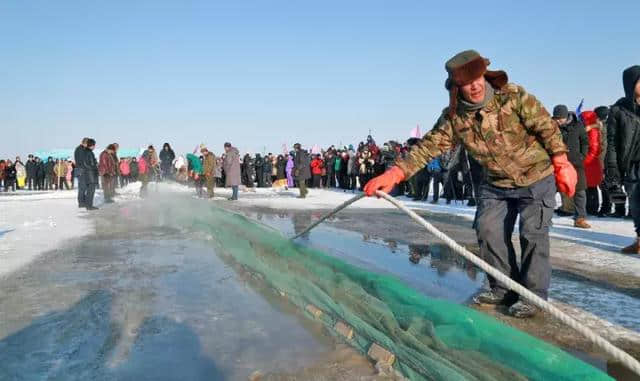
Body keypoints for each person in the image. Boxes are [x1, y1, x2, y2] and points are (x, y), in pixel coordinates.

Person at [365, 50, 575, 318]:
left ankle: (532, 297)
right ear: (456, 87)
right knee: (488, 231)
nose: (475, 86)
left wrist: (561, 162)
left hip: (535, 177)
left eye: (478, 78)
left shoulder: (512, 96)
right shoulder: (454, 116)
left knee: (533, 235)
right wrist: (394, 174)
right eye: (467, 82)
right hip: (495, 184)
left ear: (484, 76)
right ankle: (502, 288)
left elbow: (546, 126)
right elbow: (427, 147)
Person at [605, 65, 640, 253]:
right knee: (636, 205)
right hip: (632, 165)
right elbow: (612, 142)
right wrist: (612, 168)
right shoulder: (619, 110)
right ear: (630, 84)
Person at [553, 105, 590, 228]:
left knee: (580, 191)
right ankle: (545, 218)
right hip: (557, 163)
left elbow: (585, 141)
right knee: (550, 190)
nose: (558, 121)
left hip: (576, 163)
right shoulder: (552, 128)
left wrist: (582, 156)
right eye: (556, 118)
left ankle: (580, 218)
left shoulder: (578, 126)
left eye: (560, 119)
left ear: (566, 117)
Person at [582, 111, 604, 216]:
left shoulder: (592, 131)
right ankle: (590, 207)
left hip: (590, 163)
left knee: (591, 187)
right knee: (590, 186)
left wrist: (585, 159)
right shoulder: (591, 129)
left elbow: (595, 148)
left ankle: (592, 208)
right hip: (591, 163)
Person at [594, 106, 613, 217]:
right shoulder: (604, 127)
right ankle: (606, 207)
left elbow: (604, 147)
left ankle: (606, 208)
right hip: (605, 160)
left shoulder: (604, 128)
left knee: (606, 185)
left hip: (606, 161)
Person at [78, 138, 99, 210]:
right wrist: (94, 167)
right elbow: (87, 163)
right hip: (90, 174)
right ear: (92, 145)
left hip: (88, 173)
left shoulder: (85, 151)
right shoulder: (89, 152)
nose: (94, 147)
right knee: (91, 190)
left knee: (89, 190)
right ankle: (89, 205)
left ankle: (88, 204)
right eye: (94, 145)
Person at [75, 138, 89, 207]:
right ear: (84, 143)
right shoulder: (80, 149)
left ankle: (83, 201)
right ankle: (81, 202)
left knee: (84, 187)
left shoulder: (82, 149)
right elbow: (82, 161)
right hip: (81, 170)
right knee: (82, 187)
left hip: (81, 169)